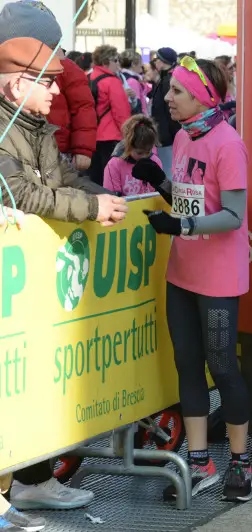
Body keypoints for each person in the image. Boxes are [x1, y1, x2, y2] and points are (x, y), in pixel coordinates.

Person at [0, 29, 126, 528]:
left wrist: (109, 201)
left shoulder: (36, 128)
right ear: (14, 85)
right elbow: (23, 196)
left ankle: (31, 481)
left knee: (31, 387)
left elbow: (63, 184)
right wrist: (93, 207)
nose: (57, 92)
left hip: (33, 296)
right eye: (46, 82)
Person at [130, 57, 252, 502]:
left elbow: (233, 216)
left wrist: (181, 228)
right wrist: (160, 181)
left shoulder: (228, 143)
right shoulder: (182, 137)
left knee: (222, 367)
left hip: (218, 278)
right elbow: (189, 202)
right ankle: (201, 463)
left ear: (201, 95)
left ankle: (241, 464)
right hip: (181, 273)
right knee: (188, 365)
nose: (167, 98)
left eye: (176, 91)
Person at [13, 0, 97, 174]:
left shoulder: (65, 67)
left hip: (58, 150)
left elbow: (83, 107)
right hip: (18, 149)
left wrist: (82, 149)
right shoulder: (12, 65)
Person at [87, 45, 131, 185]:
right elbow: (121, 113)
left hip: (89, 136)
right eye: (116, 60)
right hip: (110, 137)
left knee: (94, 178)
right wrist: (129, 135)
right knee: (110, 180)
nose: (118, 64)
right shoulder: (112, 82)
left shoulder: (87, 78)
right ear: (106, 62)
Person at [103, 114, 161, 196]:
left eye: (148, 151)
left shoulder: (155, 161)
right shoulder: (114, 165)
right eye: (139, 153)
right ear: (128, 146)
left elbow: (160, 192)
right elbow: (112, 198)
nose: (144, 157)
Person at [149, 47, 180, 177]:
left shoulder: (168, 81)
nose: (155, 62)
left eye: (157, 59)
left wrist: (172, 136)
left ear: (162, 62)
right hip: (164, 134)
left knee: (168, 171)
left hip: (166, 136)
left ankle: (170, 196)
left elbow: (170, 111)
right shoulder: (165, 79)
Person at [119, 49, 149, 115]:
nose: (142, 65)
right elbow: (136, 107)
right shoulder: (132, 81)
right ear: (133, 64)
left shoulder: (123, 77)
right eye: (140, 62)